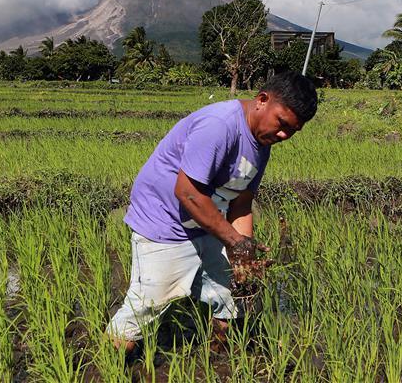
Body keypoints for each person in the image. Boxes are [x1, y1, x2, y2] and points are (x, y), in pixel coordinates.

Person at [106, 71, 318, 352]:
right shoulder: (220, 126)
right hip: (165, 223)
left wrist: (245, 253)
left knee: (234, 296)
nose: (284, 135)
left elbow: (241, 202)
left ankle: (218, 359)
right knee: (144, 311)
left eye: (292, 131)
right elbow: (188, 193)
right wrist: (235, 241)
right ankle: (107, 363)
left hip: (208, 221)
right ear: (262, 100)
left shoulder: (261, 144)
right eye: (281, 124)